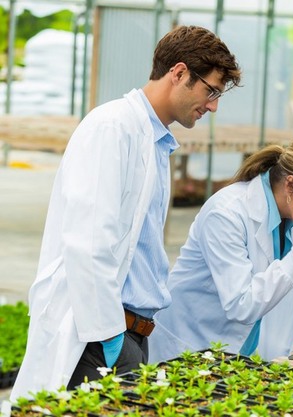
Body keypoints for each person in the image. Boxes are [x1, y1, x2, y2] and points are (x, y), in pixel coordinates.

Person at [10, 25, 241, 399]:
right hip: (99, 336)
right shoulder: (113, 127)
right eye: (211, 91)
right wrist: (110, 338)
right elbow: (88, 241)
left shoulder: (154, 139)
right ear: (179, 73)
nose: (213, 106)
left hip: (129, 333)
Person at [149, 134, 293, 362]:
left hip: (254, 353)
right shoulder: (225, 213)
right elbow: (241, 305)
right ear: (291, 184)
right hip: (194, 345)